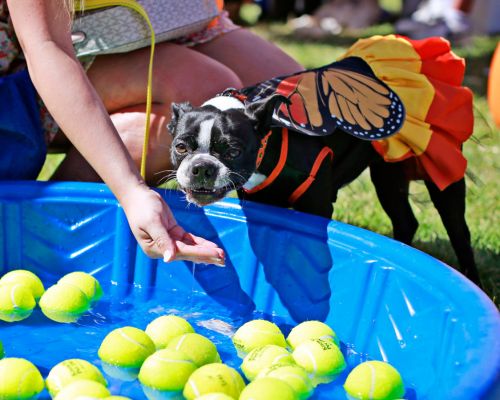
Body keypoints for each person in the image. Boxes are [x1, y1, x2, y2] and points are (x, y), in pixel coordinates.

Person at [0, 0, 288, 267]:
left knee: (291, 100)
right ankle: (48, 238)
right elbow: (47, 46)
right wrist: (131, 190)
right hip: (25, 62)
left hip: (149, 21)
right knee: (205, 85)